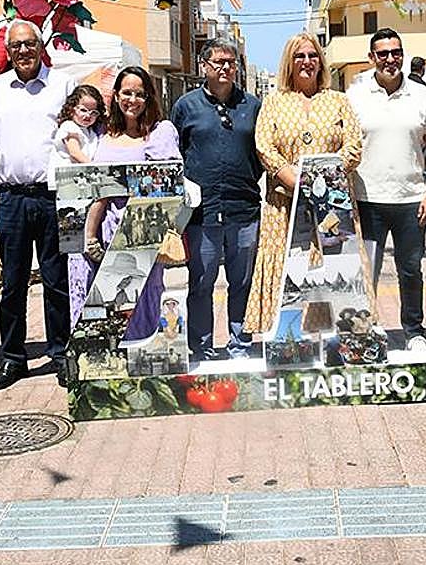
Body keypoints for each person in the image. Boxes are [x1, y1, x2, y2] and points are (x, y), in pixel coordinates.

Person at [243, 33, 362, 337]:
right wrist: (292, 178)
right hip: (284, 205)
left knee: (330, 269)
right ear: (289, 62)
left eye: (312, 55)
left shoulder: (339, 101)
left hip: (331, 207)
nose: (307, 62)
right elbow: (263, 146)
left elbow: (353, 147)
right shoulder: (273, 102)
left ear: (320, 61)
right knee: (289, 271)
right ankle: (287, 339)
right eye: (300, 56)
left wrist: (321, 178)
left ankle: (333, 335)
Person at [0, 20, 75, 390]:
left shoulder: (62, 85)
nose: (23, 51)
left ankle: (60, 353)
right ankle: (13, 358)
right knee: (13, 283)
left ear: (41, 47)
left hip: (56, 197)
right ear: (8, 51)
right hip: (12, 198)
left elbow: (78, 134)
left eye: (29, 44)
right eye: (16, 46)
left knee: (58, 281)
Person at [346, 28, 426, 351]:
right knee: (367, 272)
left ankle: (414, 331)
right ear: (371, 58)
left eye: (396, 52)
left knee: (411, 269)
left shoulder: (421, 94)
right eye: (383, 53)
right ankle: (365, 329)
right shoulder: (355, 95)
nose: (390, 59)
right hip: (367, 199)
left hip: (411, 199)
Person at [170, 37, 263, 362]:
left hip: (244, 209)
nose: (225, 67)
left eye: (230, 62)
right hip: (202, 214)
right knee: (201, 283)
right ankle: (202, 347)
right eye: (218, 62)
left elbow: (261, 153)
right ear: (204, 67)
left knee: (242, 282)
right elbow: (175, 154)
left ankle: (241, 344)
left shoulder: (252, 105)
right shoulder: (186, 106)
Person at [84, 67, 181, 341]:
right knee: (109, 301)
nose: (133, 100)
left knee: (146, 295)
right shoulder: (103, 134)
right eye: (127, 92)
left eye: (140, 94)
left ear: (148, 98)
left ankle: (145, 351)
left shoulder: (160, 133)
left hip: (143, 231)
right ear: (115, 96)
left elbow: (169, 181)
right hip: (106, 230)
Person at [53, 85, 105, 166]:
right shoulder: (69, 126)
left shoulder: (90, 131)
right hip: (67, 172)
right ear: (71, 109)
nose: (88, 115)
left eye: (93, 112)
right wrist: (94, 166)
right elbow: (75, 152)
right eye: (83, 110)